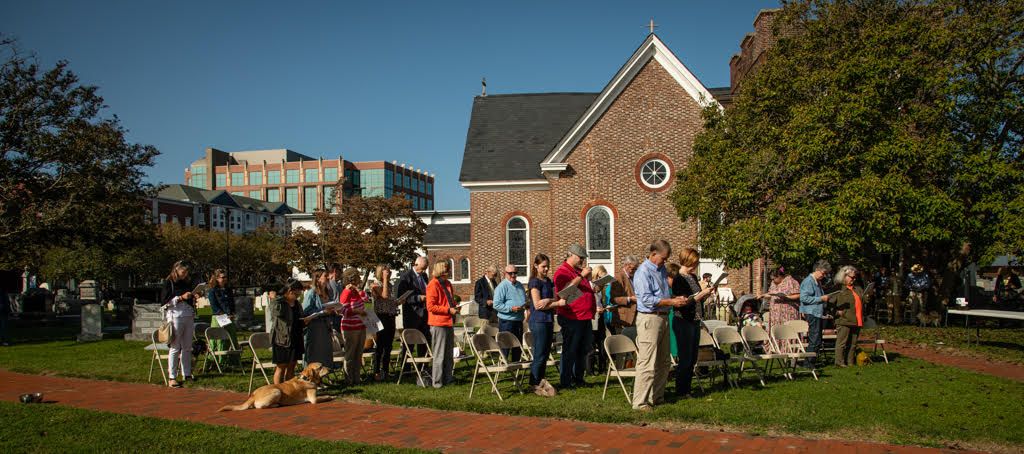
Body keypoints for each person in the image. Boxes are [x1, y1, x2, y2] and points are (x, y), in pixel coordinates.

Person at [631, 240, 688, 410]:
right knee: (647, 362)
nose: (665, 262)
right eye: (663, 258)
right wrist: (671, 301)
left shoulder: (661, 269)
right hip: (649, 318)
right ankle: (640, 402)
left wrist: (676, 299)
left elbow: (664, 293)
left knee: (663, 361)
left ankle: (656, 396)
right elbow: (647, 300)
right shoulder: (642, 272)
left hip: (663, 316)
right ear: (653, 254)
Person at [670, 247, 717, 398]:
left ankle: (687, 389)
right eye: (695, 261)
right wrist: (700, 295)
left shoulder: (693, 277)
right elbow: (683, 301)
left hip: (695, 319)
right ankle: (681, 390)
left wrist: (706, 293)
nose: (696, 265)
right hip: (683, 320)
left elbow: (696, 297)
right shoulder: (679, 279)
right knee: (685, 357)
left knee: (693, 357)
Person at [553, 244, 598, 389]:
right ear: (571, 255)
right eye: (580, 258)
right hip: (572, 317)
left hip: (584, 316)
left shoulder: (578, 271)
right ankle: (565, 381)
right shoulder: (562, 271)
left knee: (582, 349)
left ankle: (578, 378)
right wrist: (581, 276)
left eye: (584, 258)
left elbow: (587, 290)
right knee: (570, 349)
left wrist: (597, 284)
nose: (583, 261)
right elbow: (565, 291)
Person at [527, 253, 566, 394]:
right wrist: (557, 303)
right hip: (539, 321)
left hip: (548, 320)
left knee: (545, 352)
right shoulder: (534, 282)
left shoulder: (548, 281)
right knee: (539, 352)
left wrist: (548, 300)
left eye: (547, 266)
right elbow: (538, 305)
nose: (546, 269)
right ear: (536, 266)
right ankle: (534, 382)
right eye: (543, 266)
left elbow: (553, 296)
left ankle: (540, 379)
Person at [161, 260, 197, 388]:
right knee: (175, 347)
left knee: (187, 346)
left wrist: (194, 295)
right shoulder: (168, 282)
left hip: (188, 315)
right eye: (183, 271)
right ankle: (172, 376)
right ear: (176, 269)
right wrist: (181, 297)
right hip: (175, 316)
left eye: (187, 271)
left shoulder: (186, 282)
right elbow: (165, 302)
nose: (185, 273)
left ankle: (186, 373)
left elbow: (189, 296)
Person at [271, 279, 310, 384]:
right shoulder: (279, 302)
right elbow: (276, 313)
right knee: (281, 367)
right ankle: (278, 389)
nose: (298, 295)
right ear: (289, 290)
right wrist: (275, 299)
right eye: (297, 292)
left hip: (296, 337)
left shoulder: (297, 304)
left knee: (292, 366)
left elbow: (300, 318)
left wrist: (306, 320)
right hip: (282, 339)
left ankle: (289, 391)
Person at [426, 261, 457, 388]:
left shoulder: (448, 284)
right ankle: (437, 382)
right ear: (440, 269)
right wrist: (448, 310)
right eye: (446, 268)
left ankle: (448, 378)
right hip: (438, 323)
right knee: (439, 354)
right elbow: (431, 306)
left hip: (448, 322)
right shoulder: (433, 285)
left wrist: (455, 307)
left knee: (449, 354)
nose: (448, 270)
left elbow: (450, 301)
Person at [396, 256, 431, 360]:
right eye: (422, 268)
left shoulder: (424, 276)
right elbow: (402, 297)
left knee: (424, 342)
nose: (423, 271)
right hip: (412, 315)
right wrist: (418, 298)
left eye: (425, 269)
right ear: (415, 265)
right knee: (409, 344)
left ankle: (423, 367)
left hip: (424, 314)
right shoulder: (406, 277)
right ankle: (406, 369)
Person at [799, 260, 832, 368]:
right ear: (817, 270)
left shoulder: (817, 282)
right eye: (823, 273)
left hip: (817, 313)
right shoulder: (808, 281)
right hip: (812, 313)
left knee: (817, 338)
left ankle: (811, 361)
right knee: (814, 338)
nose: (824, 275)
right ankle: (808, 363)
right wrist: (821, 298)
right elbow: (804, 298)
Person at [302, 269, 336, 369]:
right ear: (318, 279)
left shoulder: (327, 292)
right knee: (315, 353)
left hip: (326, 327)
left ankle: (322, 377)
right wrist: (323, 311)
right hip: (314, 328)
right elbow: (306, 311)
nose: (328, 278)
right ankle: (311, 377)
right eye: (325, 276)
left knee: (325, 353)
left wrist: (333, 310)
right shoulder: (311, 293)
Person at [338, 267, 367, 385]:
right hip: (350, 327)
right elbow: (342, 310)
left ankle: (356, 377)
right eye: (358, 277)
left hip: (361, 325)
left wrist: (359, 290)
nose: (360, 279)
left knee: (358, 353)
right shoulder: (346, 292)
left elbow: (366, 298)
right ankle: (348, 379)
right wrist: (357, 312)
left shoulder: (357, 291)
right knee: (350, 354)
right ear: (352, 278)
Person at [370, 265, 400, 382]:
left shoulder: (390, 285)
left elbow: (389, 300)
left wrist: (397, 301)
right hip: (381, 317)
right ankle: (377, 371)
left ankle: (386, 371)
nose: (389, 272)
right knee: (380, 346)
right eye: (386, 271)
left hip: (390, 316)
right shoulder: (375, 285)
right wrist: (385, 280)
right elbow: (384, 295)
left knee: (388, 346)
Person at [493, 264, 528, 361]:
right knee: (505, 347)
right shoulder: (501, 287)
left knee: (518, 346)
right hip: (506, 321)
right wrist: (511, 309)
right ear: (505, 274)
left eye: (515, 273)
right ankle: (503, 365)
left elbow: (523, 299)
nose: (513, 275)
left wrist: (526, 305)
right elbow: (496, 305)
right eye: (510, 273)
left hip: (519, 320)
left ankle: (516, 366)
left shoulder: (520, 285)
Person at [832, 265, 865, 367]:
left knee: (853, 343)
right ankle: (839, 362)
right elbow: (829, 304)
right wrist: (837, 312)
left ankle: (850, 361)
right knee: (842, 342)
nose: (854, 279)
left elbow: (862, 301)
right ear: (844, 276)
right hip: (844, 320)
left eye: (855, 277)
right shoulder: (838, 288)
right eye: (852, 277)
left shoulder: (857, 288)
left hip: (857, 319)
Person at [206, 269, 238, 366]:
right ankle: (215, 362)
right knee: (218, 340)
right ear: (217, 278)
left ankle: (232, 361)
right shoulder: (212, 291)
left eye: (225, 277)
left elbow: (232, 303)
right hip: (218, 317)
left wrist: (232, 313)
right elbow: (214, 306)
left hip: (229, 317)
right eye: (222, 277)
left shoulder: (228, 290)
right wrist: (223, 314)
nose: (224, 279)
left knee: (232, 338)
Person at [607, 256, 640, 338]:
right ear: (626, 265)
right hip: (623, 319)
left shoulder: (632, 277)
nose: (634, 271)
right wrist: (629, 299)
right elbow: (613, 299)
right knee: (623, 345)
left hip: (633, 318)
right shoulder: (618, 277)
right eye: (633, 268)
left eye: (636, 269)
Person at [590, 265, 610, 375]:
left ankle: (603, 368)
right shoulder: (590, 286)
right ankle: (590, 370)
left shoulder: (600, 289)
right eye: (600, 278)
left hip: (600, 316)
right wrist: (595, 309)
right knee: (592, 344)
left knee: (602, 342)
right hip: (592, 317)